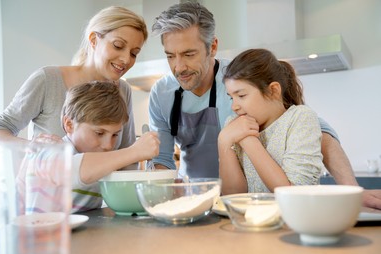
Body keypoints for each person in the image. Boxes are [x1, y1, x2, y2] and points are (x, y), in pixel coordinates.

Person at [148, 2, 381, 209]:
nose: (179, 67)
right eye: (170, 56)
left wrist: (352, 191)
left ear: (213, 46)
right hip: (196, 202)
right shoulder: (161, 93)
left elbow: (319, 133)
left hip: (244, 203)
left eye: (189, 54)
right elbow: (163, 160)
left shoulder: (237, 81)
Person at [0, 6, 147, 172]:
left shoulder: (123, 90)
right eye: (118, 45)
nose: (125, 59)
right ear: (94, 40)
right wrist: (33, 147)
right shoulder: (48, 79)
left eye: (134, 53)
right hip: (50, 193)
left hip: (102, 198)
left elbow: (126, 156)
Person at [19, 81, 160, 213]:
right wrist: (134, 151)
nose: (108, 145)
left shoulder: (99, 162)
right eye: (99, 133)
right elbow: (73, 169)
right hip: (40, 236)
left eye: (115, 135)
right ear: (69, 124)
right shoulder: (48, 149)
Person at [218, 48, 323, 193]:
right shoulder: (233, 125)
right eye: (231, 97)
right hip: (247, 216)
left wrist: (248, 139)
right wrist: (223, 141)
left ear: (273, 90)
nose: (234, 106)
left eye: (241, 95)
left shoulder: (300, 118)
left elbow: (294, 193)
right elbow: (232, 195)